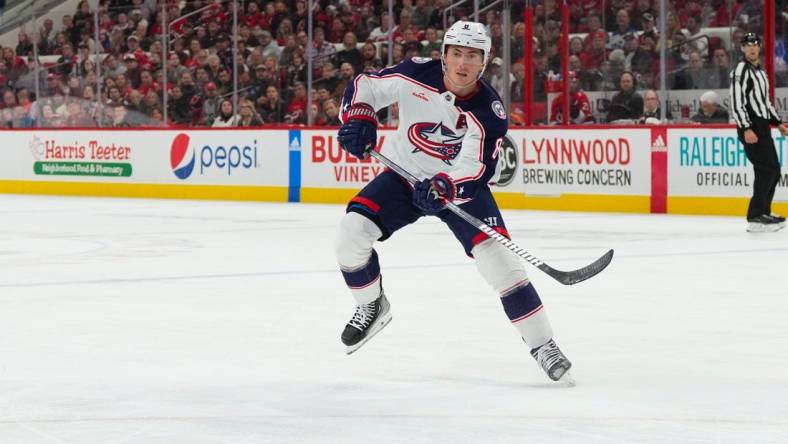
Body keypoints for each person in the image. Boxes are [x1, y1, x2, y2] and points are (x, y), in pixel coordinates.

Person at [334, 21, 573, 383]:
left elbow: (476, 167)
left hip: (456, 188)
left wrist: (446, 185)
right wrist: (359, 116)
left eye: (472, 56)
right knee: (351, 233)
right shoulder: (416, 73)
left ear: (485, 61)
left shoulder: (489, 111)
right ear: (443, 56)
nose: (463, 63)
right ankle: (371, 304)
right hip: (404, 174)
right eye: (456, 53)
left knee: (501, 264)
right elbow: (364, 85)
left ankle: (543, 345)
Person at [730, 33, 788, 232]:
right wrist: (746, 127)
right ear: (742, 48)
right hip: (751, 126)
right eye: (748, 45)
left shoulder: (761, 72)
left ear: (760, 47)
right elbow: (736, 102)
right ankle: (755, 216)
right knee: (766, 169)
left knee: (773, 169)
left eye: (755, 44)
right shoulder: (741, 70)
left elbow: (765, 102)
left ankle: (763, 211)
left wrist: (778, 122)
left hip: (762, 126)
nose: (752, 48)